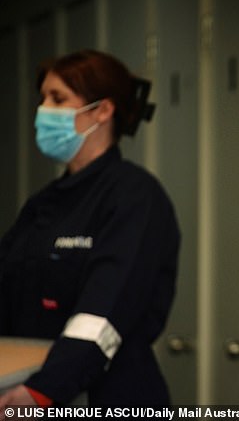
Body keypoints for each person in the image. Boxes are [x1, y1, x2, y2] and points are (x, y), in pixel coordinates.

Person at [0, 50, 180, 410]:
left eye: (58, 98)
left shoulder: (135, 196)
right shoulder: (43, 203)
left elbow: (104, 313)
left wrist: (43, 392)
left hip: (108, 398)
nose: (43, 110)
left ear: (102, 110)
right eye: (43, 98)